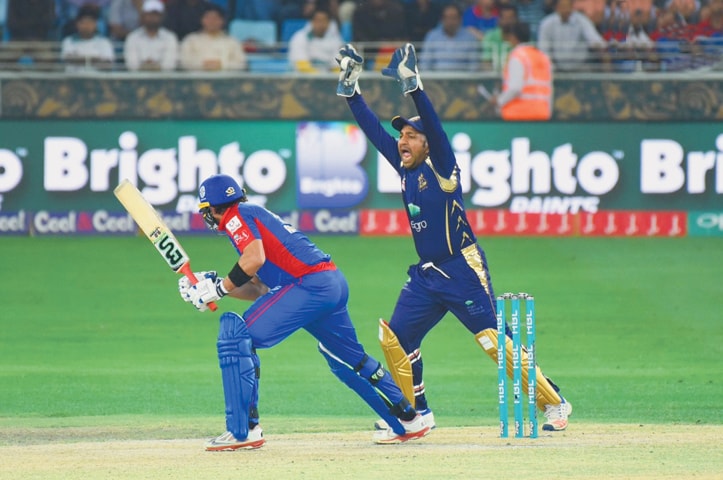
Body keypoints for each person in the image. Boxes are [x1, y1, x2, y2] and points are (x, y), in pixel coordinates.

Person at [334, 42, 572, 432]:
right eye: (403, 135)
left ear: (427, 145)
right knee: (397, 337)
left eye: (412, 135)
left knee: (495, 342)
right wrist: (351, 93)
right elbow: (375, 132)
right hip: (427, 275)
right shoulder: (406, 169)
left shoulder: (443, 169)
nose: (403, 141)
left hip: (461, 267)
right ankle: (415, 413)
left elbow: (438, 131)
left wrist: (413, 86)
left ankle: (555, 403)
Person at [177, 174, 431, 449]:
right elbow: (261, 289)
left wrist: (219, 289)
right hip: (329, 283)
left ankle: (244, 430)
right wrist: (209, 286)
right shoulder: (251, 215)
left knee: (236, 336)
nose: (208, 217)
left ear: (215, 207)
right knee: (347, 358)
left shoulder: (236, 216)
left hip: (308, 285)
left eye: (206, 211)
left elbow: (254, 259)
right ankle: (407, 419)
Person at [488, 22, 553, 120]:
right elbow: (549, 90)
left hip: (519, 114)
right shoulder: (543, 57)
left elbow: (515, 88)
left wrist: (499, 101)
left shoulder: (518, 56)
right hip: (542, 113)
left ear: (513, 37)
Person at [537, 0, 607, 71]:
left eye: (568, 6)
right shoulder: (547, 23)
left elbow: (594, 38)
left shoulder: (582, 20)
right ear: (557, 8)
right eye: (563, 7)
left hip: (580, 66)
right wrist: (551, 66)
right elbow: (544, 49)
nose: (566, 10)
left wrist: (599, 45)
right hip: (557, 67)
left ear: (572, 7)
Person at [179, 4, 247, 71]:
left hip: (225, 80)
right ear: (202, 20)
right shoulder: (191, 40)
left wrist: (221, 65)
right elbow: (184, 62)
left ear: (222, 21)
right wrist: (203, 64)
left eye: (215, 18)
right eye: (208, 18)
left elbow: (241, 64)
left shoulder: (232, 41)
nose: (211, 22)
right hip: (196, 80)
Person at [419, 3, 480, 71]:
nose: (450, 22)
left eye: (454, 18)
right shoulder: (432, 36)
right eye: (447, 18)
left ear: (460, 19)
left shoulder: (469, 38)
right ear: (442, 20)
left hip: (462, 79)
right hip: (436, 79)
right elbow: (424, 64)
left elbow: (473, 65)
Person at [124, 0, 179, 71]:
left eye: (155, 14)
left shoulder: (170, 37)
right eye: (149, 14)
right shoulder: (132, 37)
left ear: (161, 17)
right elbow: (132, 65)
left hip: (164, 80)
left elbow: (169, 65)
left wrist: (152, 67)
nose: (152, 17)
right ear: (143, 16)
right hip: (138, 80)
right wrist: (149, 66)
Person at [60, 4, 116, 71]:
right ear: (77, 24)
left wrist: (79, 59)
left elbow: (107, 64)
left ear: (95, 24)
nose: (86, 26)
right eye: (83, 22)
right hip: (74, 79)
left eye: (89, 22)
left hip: (98, 80)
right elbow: (68, 59)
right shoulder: (69, 41)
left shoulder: (104, 42)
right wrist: (95, 60)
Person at [287, 7, 344, 72]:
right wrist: (320, 78)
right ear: (311, 22)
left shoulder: (336, 40)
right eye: (318, 20)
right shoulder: (299, 38)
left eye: (324, 20)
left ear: (329, 23)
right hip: (302, 79)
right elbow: (302, 66)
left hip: (328, 79)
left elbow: (337, 67)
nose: (321, 24)